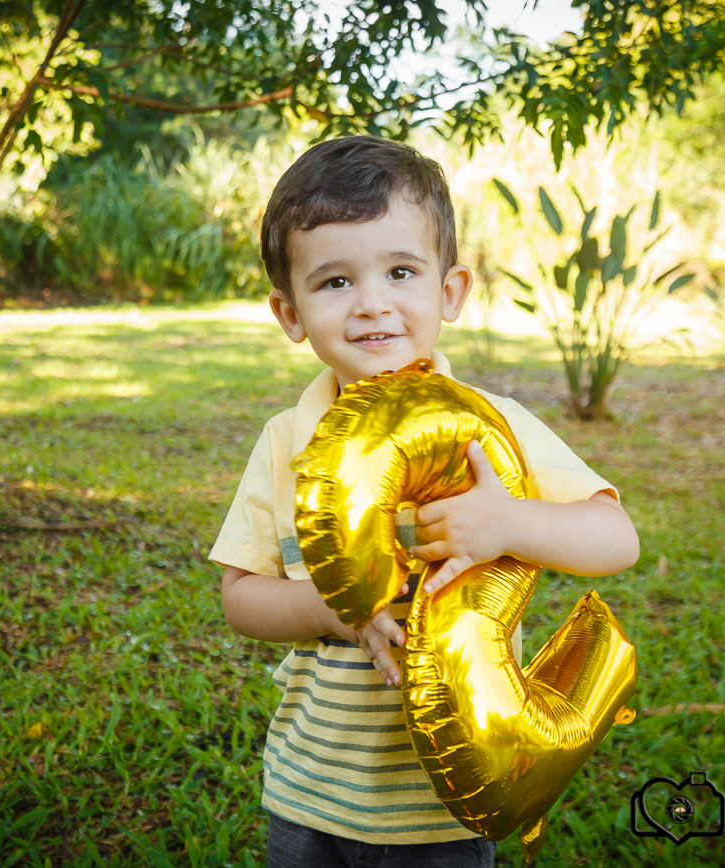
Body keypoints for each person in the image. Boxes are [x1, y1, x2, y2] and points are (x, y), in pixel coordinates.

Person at [210, 136, 640, 868]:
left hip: (443, 814)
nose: (372, 303)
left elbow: (616, 539)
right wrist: (333, 607)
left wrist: (508, 521)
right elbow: (240, 596)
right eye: (335, 282)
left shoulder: (491, 426)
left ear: (450, 293)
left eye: (400, 272)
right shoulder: (288, 441)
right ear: (289, 312)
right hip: (311, 793)